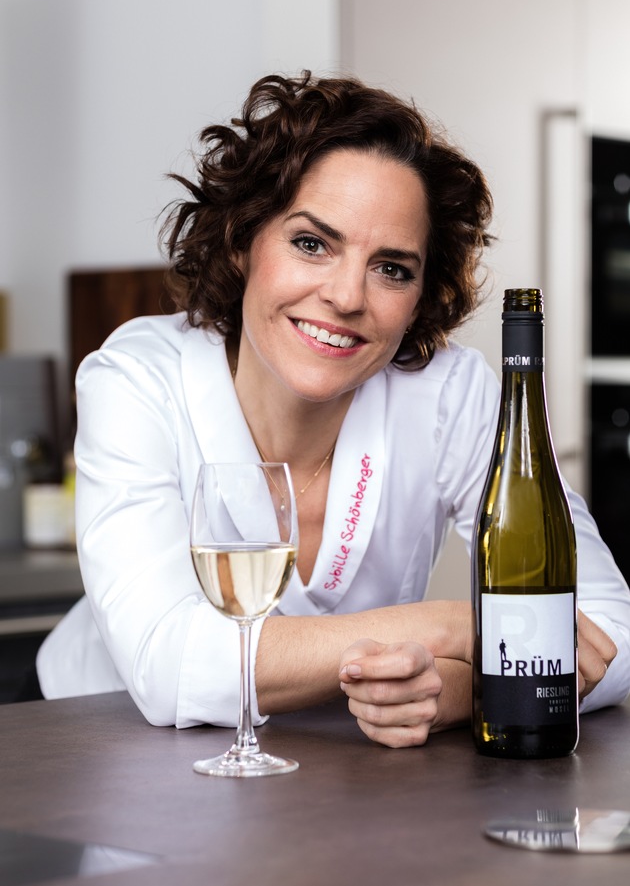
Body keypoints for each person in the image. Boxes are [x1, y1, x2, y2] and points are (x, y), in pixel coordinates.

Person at [37, 72, 629, 748]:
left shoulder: (449, 394)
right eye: (312, 243)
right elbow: (169, 665)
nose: (347, 297)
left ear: (420, 297)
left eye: (392, 269)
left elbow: (611, 630)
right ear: (241, 240)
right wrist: (456, 627)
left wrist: (460, 691)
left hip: (328, 772)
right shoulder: (138, 378)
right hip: (94, 745)